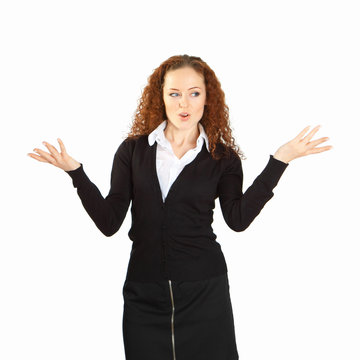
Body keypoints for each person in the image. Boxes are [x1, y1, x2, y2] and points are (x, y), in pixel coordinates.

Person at [28, 54, 332, 360]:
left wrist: (280, 160)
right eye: (174, 94)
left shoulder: (222, 159)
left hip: (205, 293)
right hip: (144, 293)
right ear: (161, 97)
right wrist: (75, 172)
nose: (183, 104)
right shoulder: (133, 151)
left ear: (206, 98)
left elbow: (238, 219)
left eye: (193, 93)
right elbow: (109, 222)